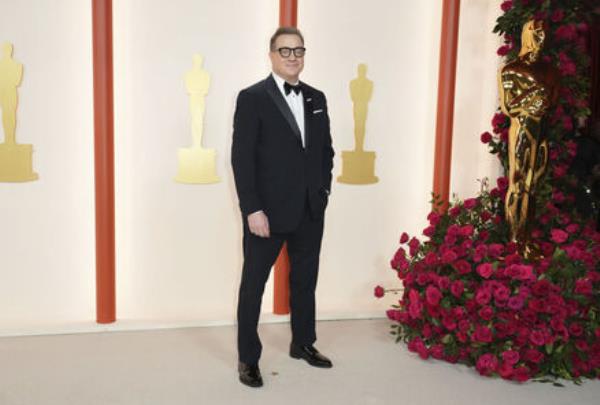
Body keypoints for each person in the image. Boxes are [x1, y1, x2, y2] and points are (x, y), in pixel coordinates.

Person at [231, 27, 335, 388]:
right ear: (271, 55)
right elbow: (241, 159)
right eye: (285, 50)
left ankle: (303, 343)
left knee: (305, 283)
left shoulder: (317, 97)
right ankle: (248, 358)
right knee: (253, 286)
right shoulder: (252, 97)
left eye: (298, 50)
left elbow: (325, 151)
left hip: (310, 210)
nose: (293, 57)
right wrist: (252, 209)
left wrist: (322, 192)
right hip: (267, 214)